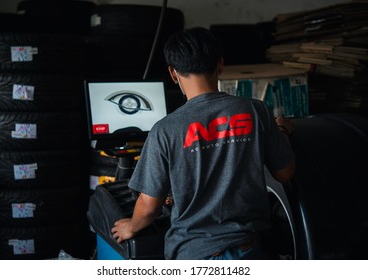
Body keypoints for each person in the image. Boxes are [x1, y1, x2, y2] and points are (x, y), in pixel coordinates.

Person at [111, 27, 295, 260]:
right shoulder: (255, 110)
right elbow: (285, 173)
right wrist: (282, 132)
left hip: (195, 253)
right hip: (248, 248)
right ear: (220, 64)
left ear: (173, 73)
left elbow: (149, 206)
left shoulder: (165, 130)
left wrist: (131, 227)